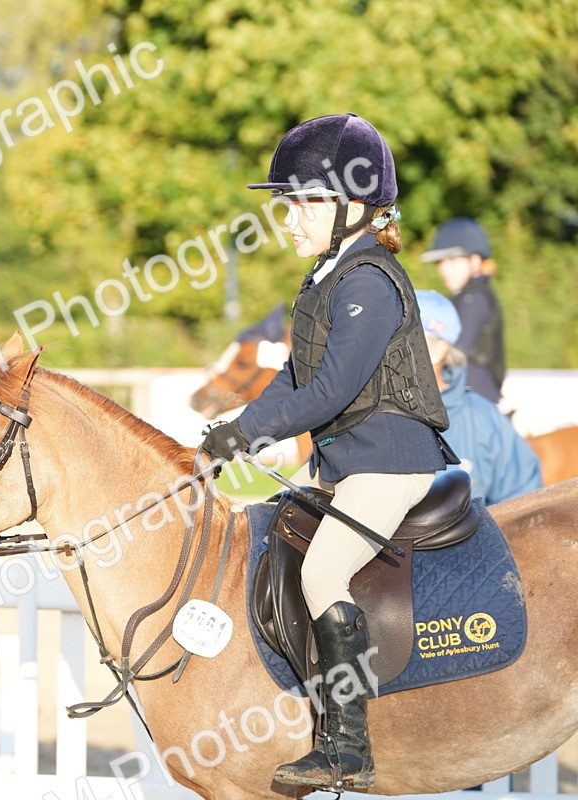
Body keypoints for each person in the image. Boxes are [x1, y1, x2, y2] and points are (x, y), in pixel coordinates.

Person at [200, 113, 458, 790]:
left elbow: (330, 392)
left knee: (321, 575)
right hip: (349, 461)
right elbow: (292, 379)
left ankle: (347, 746)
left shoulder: (369, 282)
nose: (290, 217)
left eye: (307, 201)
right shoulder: (325, 279)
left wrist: (244, 435)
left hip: (391, 462)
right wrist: (231, 428)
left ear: (356, 206)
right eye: (288, 202)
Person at [416, 290, 541, 504]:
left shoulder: (482, 418)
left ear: (440, 350)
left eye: (406, 340)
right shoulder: (358, 409)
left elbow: (524, 504)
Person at [420, 218, 505, 404]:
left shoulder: (473, 299)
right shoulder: (466, 297)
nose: (444, 269)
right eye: (440, 262)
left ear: (474, 261)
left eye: (452, 260)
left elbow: (457, 349)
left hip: (472, 398)